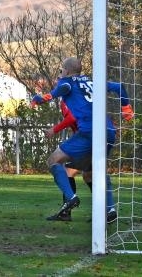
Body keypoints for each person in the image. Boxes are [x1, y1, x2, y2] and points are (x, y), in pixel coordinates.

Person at [31, 57, 133, 222]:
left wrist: (38, 99)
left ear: (67, 71)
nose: (61, 73)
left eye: (61, 70)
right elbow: (119, 87)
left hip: (89, 132)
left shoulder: (67, 83)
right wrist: (126, 108)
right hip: (108, 131)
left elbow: (55, 92)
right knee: (92, 173)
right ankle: (110, 209)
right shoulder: (93, 82)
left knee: (53, 160)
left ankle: (70, 198)